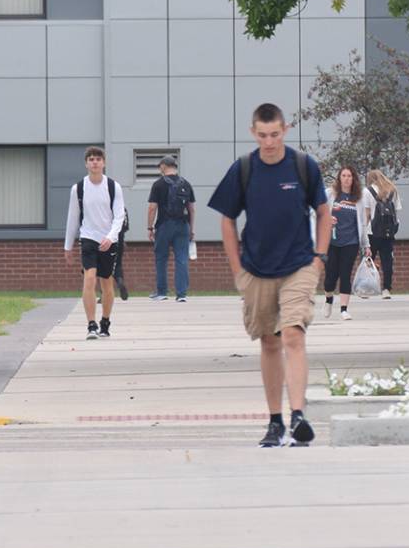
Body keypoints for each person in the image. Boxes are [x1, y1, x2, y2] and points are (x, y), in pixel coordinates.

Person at [208, 103, 332, 447]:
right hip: (257, 270)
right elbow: (227, 219)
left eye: (275, 134)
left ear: (285, 130)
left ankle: (298, 416)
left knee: (293, 334)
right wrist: (237, 270)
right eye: (262, 135)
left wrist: (319, 258)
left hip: (299, 265)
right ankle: (275, 421)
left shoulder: (302, 166)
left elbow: (324, 212)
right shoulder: (244, 169)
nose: (269, 142)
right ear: (253, 133)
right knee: (269, 341)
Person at [62, 146, 127, 340]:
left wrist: (111, 236)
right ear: (86, 164)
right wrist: (68, 246)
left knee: (107, 283)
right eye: (91, 159)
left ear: (104, 163)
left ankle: (105, 322)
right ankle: (91, 324)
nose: (95, 162)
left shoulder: (113, 187)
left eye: (98, 159)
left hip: (109, 239)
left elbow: (119, 216)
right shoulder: (78, 188)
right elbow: (73, 218)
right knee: (89, 278)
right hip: (88, 238)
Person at [321, 164, 374, 320]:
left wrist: (366, 245)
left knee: (345, 274)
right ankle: (329, 299)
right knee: (330, 277)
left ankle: (344, 309)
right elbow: (315, 212)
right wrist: (326, 219)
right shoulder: (330, 194)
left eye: (349, 176)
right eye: (343, 176)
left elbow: (363, 224)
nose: (346, 179)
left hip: (351, 242)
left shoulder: (358, 197)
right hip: (331, 242)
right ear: (339, 178)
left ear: (353, 179)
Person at [146, 155, 195, 302]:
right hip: (183, 225)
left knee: (161, 258)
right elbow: (191, 209)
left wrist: (150, 228)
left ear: (163, 166)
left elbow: (152, 208)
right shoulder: (186, 184)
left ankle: (162, 292)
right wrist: (191, 229)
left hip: (164, 225)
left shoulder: (158, 184)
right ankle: (181, 294)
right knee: (182, 259)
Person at [364, 168, 401, 299]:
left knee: (369, 260)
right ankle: (386, 289)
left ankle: (367, 289)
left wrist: (362, 231)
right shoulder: (393, 190)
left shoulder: (367, 191)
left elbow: (367, 214)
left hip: (371, 232)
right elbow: (396, 211)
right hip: (388, 232)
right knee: (387, 261)